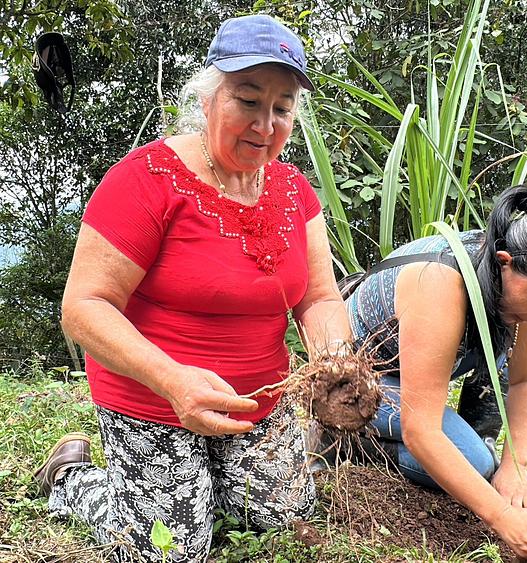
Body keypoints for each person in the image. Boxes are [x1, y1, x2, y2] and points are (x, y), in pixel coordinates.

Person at [34, 14, 351, 562]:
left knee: (280, 517)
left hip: (257, 398)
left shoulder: (295, 190)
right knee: (173, 549)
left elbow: (318, 298)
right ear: (207, 98)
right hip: (151, 396)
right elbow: (84, 308)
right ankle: (71, 476)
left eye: (281, 108)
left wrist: (335, 362)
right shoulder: (146, 179)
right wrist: (173, 380)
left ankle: (215, 474)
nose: (264, 123)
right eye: (247, 100)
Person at [344, 185, 527, 560]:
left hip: (404, 375)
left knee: (483, 460)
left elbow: (526, 381)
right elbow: (422, 431)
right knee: (474, 463)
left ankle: (460, 452)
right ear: (505, 261)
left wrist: (517, 465)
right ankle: (351, 438)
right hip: (355, 378)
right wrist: (503, 518)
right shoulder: (440, 282)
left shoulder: (523, 280)